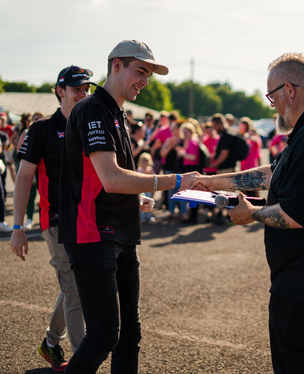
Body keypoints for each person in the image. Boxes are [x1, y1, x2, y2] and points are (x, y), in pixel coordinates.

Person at [192, 52, 304, 374]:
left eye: (272, 96)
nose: (271, 105)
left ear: (289, 91)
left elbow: (295, 214)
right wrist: (212, 182)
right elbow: (276, 173)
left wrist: (251, 214)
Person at [58, 39, 198, 374]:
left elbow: (112, 178)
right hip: (92, 232)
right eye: (141, 71)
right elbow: (111, 179)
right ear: (116, 65)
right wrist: (175, 181)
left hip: (120, 231)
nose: (145, 81)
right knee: (104, 335)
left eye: (149, 75)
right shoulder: (91, 109)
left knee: (129, 335)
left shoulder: (118, 111)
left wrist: (137, 196)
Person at [10, 65, 96, 372]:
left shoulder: (91, 125)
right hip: (56, 219)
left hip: (89, 219)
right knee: (75, 290)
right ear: (59, 91)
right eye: (77, 89)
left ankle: (50, 342)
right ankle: (83, 364)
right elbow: (23, 178)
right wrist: (18, 227)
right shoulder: (42, 129)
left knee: (73, 286)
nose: (84, 95)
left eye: (87, 89)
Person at [137, 152, 155, 223]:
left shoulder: (150, 169)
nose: (145, 164)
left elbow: (154, 178)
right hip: (141, 190)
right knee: (142, 204)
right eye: (144, 162)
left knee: (149, 202)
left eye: (146, 162)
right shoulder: (139, 170)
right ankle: (142, 217)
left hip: (149, 189)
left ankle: (149, 216)